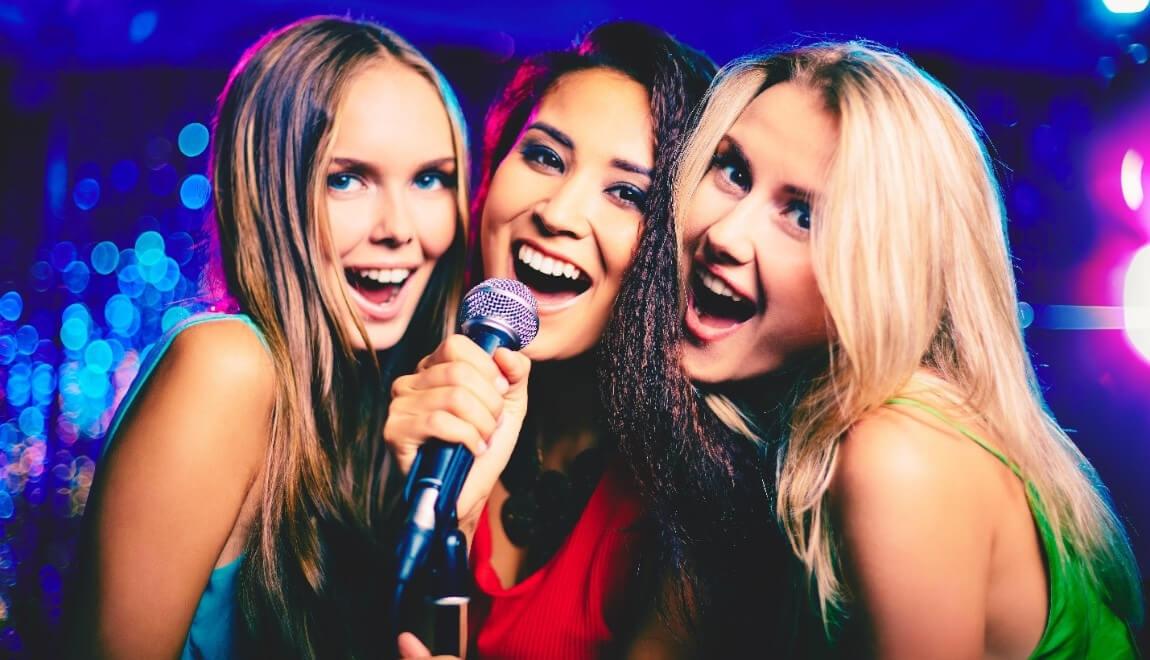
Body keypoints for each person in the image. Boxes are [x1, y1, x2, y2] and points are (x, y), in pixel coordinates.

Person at [634, 41, 1144, 657]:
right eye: (733, 172)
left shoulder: (897, 452)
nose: (724, 235)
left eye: (803, 215)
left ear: (888, 270)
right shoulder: (776, 444)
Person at [66, 16, 471, 658]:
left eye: (430, 178)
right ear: (271, 191)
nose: (399, 227)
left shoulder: (374, 408)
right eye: (347, 178)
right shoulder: (225, 365)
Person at [385, 21, 715, 658]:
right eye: (543, 156)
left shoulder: (690, 509)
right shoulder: (396, 399)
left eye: (627, 193)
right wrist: (435, 518)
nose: (558, 214)